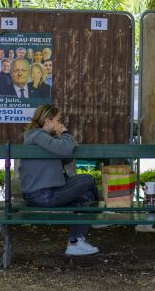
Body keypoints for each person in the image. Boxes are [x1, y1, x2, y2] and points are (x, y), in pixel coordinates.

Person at [19, 104, 100, 255]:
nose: (60, 123)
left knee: (86, 197)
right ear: (48, 121)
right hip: (43, 195)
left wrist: (65, 143)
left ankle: (75, 243)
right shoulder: (38, 135)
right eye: (58, 120)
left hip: (41, 194)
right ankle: (97, 217)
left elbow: (63, 157)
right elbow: (65, 149)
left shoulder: (40, 137)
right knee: (87, 179)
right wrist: (65, 133)